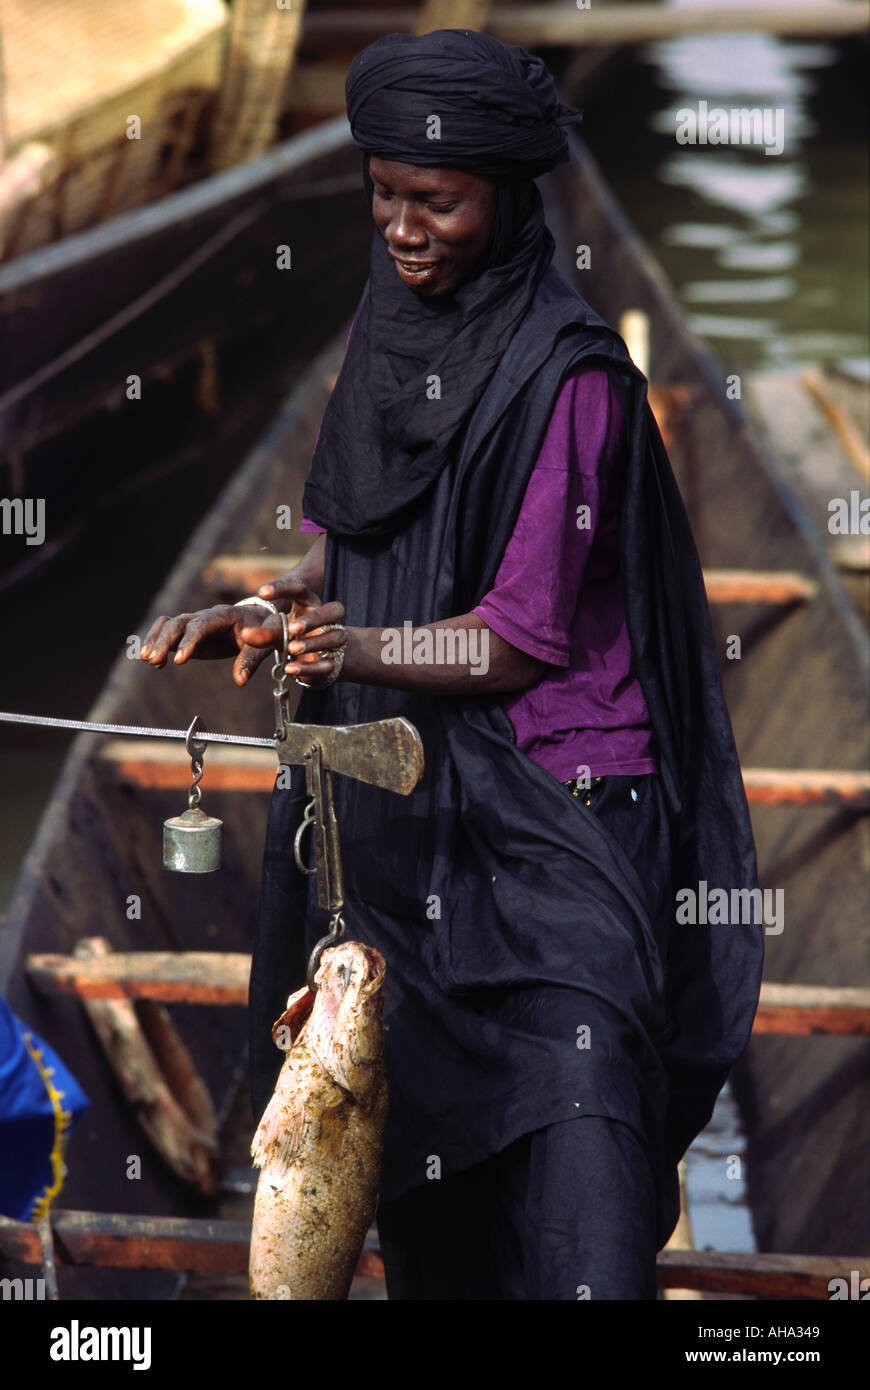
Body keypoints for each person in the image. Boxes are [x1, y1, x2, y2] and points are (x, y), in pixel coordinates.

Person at [141, 29, 762, 1300]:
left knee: (583, 1127)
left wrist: (350, 646)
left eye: (439, 202)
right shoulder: (383, 324)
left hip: (562, 819)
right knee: (423, 1171)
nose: (406, 229)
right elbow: (338, 545)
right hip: (410, 812)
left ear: (507, 196)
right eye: (384, 197)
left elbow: (517, 636)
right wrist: (267, 606)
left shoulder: (572, 377)